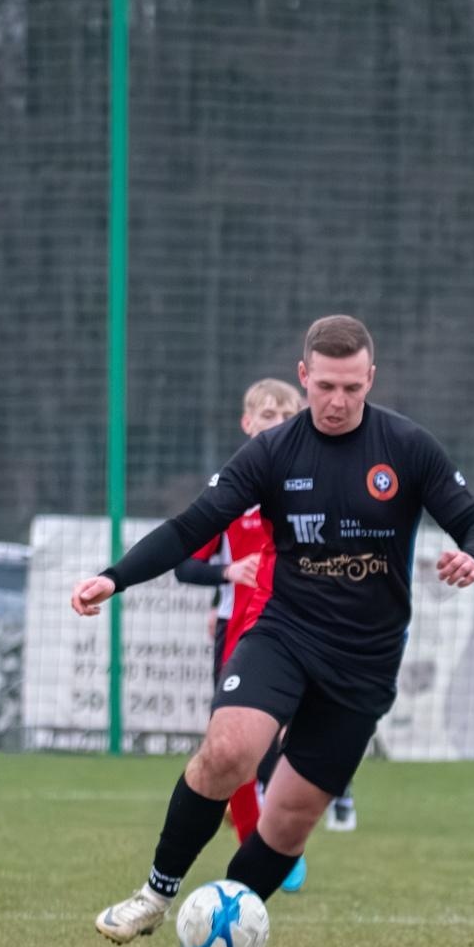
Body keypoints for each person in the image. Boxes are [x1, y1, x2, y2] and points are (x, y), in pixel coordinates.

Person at [72, 315, 474, 947]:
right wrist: (114, 577)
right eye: (325, 385)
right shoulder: (274, 451)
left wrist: (473, 559)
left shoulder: (407, 447)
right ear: (304, 377)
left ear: (370, 380)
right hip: (285, 633)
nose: (337, 400)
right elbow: (192, 525)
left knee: (293, 814)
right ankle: (156, 894)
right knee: (229, 750)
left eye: (351, 387)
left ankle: (209, 940)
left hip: (365, 662)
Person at [172, 379, 306, 891]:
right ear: (247, 423)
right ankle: (258, 848)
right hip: (242, 635)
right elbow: (185, 563)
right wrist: (227, 576)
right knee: (238, 747)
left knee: (293, 741)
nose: (276, 423)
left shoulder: (316, 483)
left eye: (286, 414)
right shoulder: (230, 487)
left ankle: (275, 830)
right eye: (266, 414)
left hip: (306, 632)